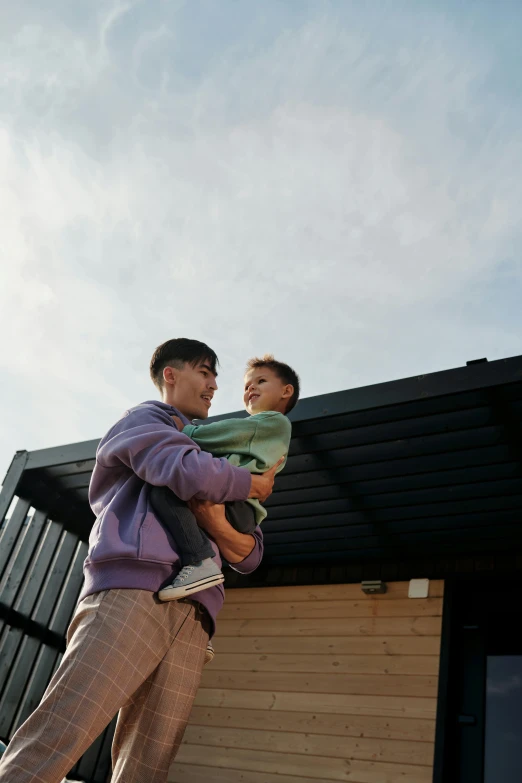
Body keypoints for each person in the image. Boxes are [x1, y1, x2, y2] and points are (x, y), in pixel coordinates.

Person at [0, 338, 281, 783]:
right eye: (204, 372)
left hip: (196, 614)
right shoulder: (146, 420)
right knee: (60, 731)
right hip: (134, 591)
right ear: (171, 375)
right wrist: (248, 482)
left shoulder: (213, 451)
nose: (213, 385)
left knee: (147, 766)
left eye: (214, 376)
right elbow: (180, 469)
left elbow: (250, 554)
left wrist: (219, 516)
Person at [150, 354, 299, 602]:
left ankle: (199, 560)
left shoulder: (272, 422)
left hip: (238, 505)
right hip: (239, 506)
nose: (251, 387)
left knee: (164, 492)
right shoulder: (262, 434)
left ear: (286, 391)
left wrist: (186, 430)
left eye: (260, 381)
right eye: (247, 385)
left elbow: (223, 433)